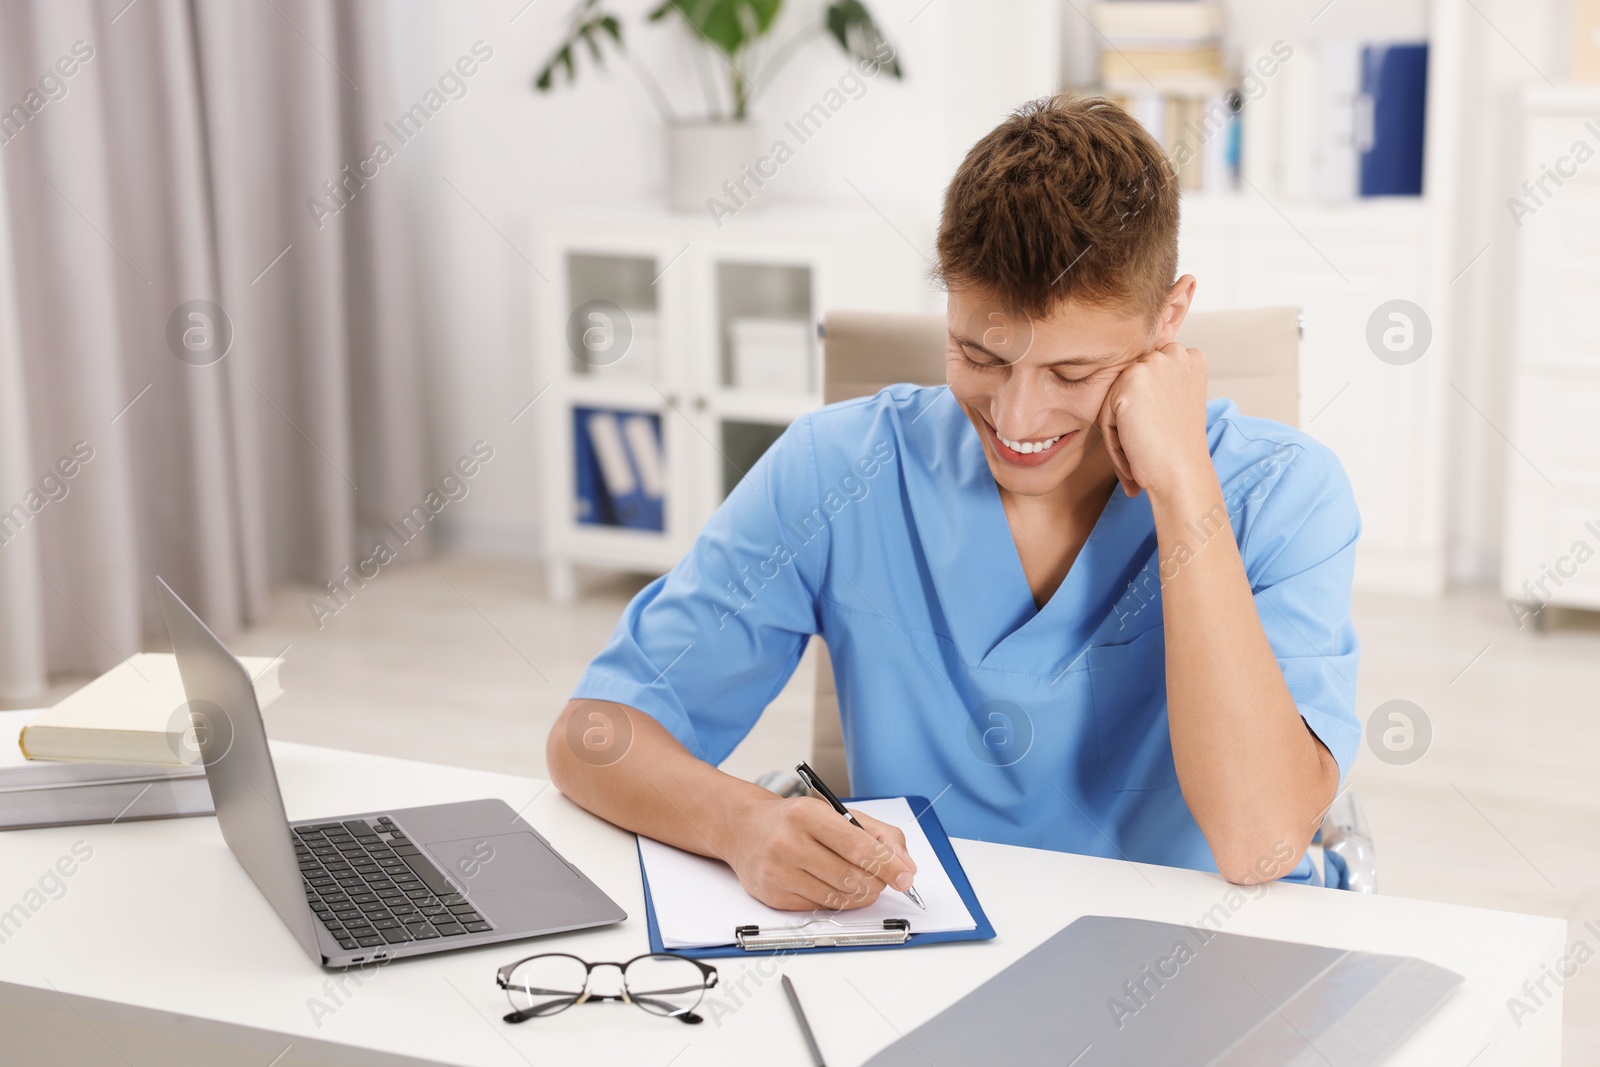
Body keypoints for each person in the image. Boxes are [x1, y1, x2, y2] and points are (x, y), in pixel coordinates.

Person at [547, 93, 1361, 910]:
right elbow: (590, 739)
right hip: (935, 952)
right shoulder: (841, 468)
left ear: (1169, 321)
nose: (1016, 419)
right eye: (980, 355)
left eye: (1073, 375)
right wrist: (745, 823)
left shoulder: (1285, 493)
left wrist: (1184, 484)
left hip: (1203, 958)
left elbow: (1262, 844)